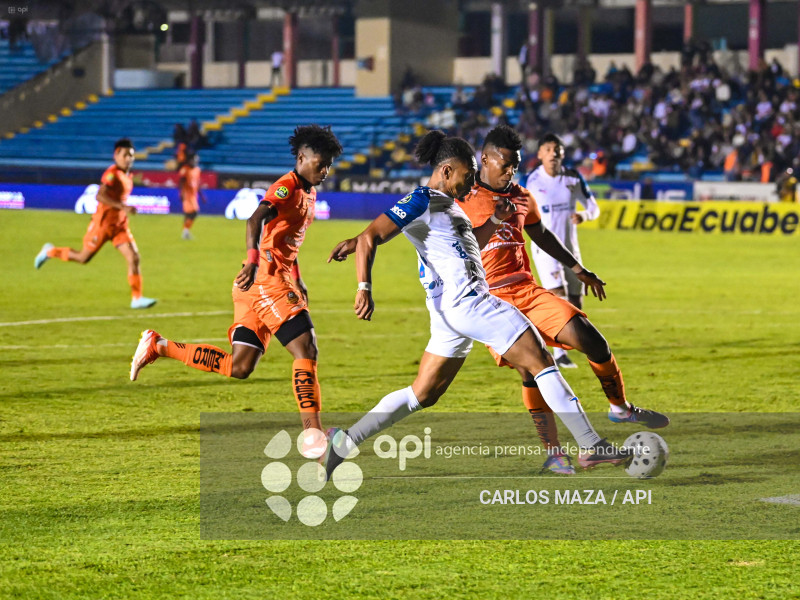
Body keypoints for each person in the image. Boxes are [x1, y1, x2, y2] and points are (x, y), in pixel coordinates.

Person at [324, 130, 633, 479]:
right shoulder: (422, 199)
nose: (471, 182)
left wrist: (498, 220)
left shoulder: (449, 206)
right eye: (467, 174)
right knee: (540, 359)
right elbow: (371, 237)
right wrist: (363, 287)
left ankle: (345, 441)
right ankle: (590, 445)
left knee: (423, 393)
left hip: (447, 314)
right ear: (445, 171)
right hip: (469, 302)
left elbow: (472, 245)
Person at [461, 125, 668, 475]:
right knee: (533, 370)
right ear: (485, 158)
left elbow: (540, 233)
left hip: (527, 290)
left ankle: (620, 408)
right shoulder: (462, 198)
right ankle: (556, 453)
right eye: (505, 164)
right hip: (491, 300)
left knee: (591, 339)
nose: (510, 171)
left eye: (515, 165)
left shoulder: (522, 195)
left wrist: (578, 268)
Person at [130, 125, 342, 458]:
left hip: (266, 282)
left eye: (329, 165)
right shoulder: (286, 187)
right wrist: (252, 260)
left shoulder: (309, 191)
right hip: (265, 281)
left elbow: (288, 239)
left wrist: (297, 277)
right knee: (306, 349)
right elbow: (254, 219)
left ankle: (159, 346)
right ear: (301, 157)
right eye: (320, 163)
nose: (326, 171)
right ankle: (314, 436)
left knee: (240, 366)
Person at [34, 138, 157, 310]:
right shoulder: (112, 173)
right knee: (83, 258)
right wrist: (122, 206)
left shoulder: (127, 176)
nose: (128, 158)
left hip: (119, 225)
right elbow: (100, 196)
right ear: (116, 155)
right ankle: (50, 251)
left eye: (131, 155)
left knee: (134, 257)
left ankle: (136, 298)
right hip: (102, 224)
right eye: (125, 155)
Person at [523, 133, 602, 368]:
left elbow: (594, 207)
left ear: (563, 154)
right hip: (545, 249)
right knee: (558, 296)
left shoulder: (573, 178)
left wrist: (584, 215)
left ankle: (574, 344)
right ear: (540, 154)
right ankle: (558, 355)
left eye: (557, 149)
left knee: (576, 300)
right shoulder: (531, 181)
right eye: (547, 149)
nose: (553, 153)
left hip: (571, 249)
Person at [179, 153, 206, 240]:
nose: (195, 161)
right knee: (193, 212)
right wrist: (181, 193)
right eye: (194, 159)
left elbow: (197, 184)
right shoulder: (185, 169)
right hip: (187, 195)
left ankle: (185, 232)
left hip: (194, 195)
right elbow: (181, 182)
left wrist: (202, 196)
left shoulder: (197, 170)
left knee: (189, 214)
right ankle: (185, 232)